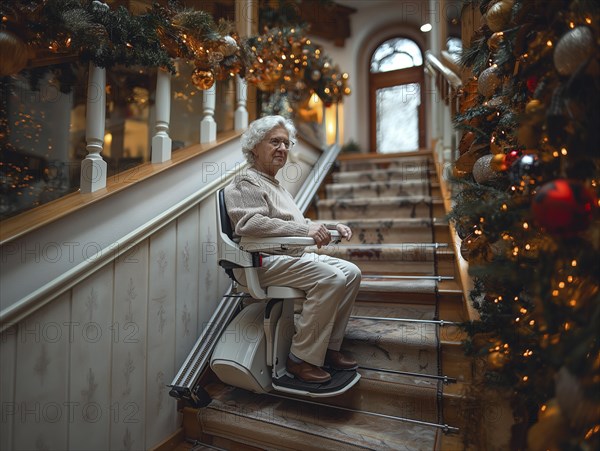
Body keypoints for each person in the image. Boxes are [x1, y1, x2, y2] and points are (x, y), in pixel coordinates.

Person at [224, 115, 362, 384]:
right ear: (254, 147)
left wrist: (332, 226)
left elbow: (299, 224)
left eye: (286, 144)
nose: (283, 149)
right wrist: (304, 231)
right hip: (260, 262)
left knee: (352, 272)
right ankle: (300, 359)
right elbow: (249, 223)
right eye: (275, 142)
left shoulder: (276, 186)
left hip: (286, 256)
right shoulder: (245, 183)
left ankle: (329, 348)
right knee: (331, 278)